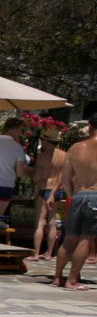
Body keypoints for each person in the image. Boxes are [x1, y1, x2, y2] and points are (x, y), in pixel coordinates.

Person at [52, 113, 97, 290]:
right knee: (86, 238)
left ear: (90, 126)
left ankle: (57, 277)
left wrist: (72, 195)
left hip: (78, 195)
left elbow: (66, 177)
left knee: (69, 238)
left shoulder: (75, 148)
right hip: (95, 196)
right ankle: (72, 280)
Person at [29, 129, 67, 261]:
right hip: (56, 190)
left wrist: (30, 172)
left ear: (46, 141)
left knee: (39, 222)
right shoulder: (64, 155)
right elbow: (64, 176)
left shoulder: (42, 157)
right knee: (52, 222)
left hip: (44, 188)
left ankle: (36, 253)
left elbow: (36, 178)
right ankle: (49, 253)